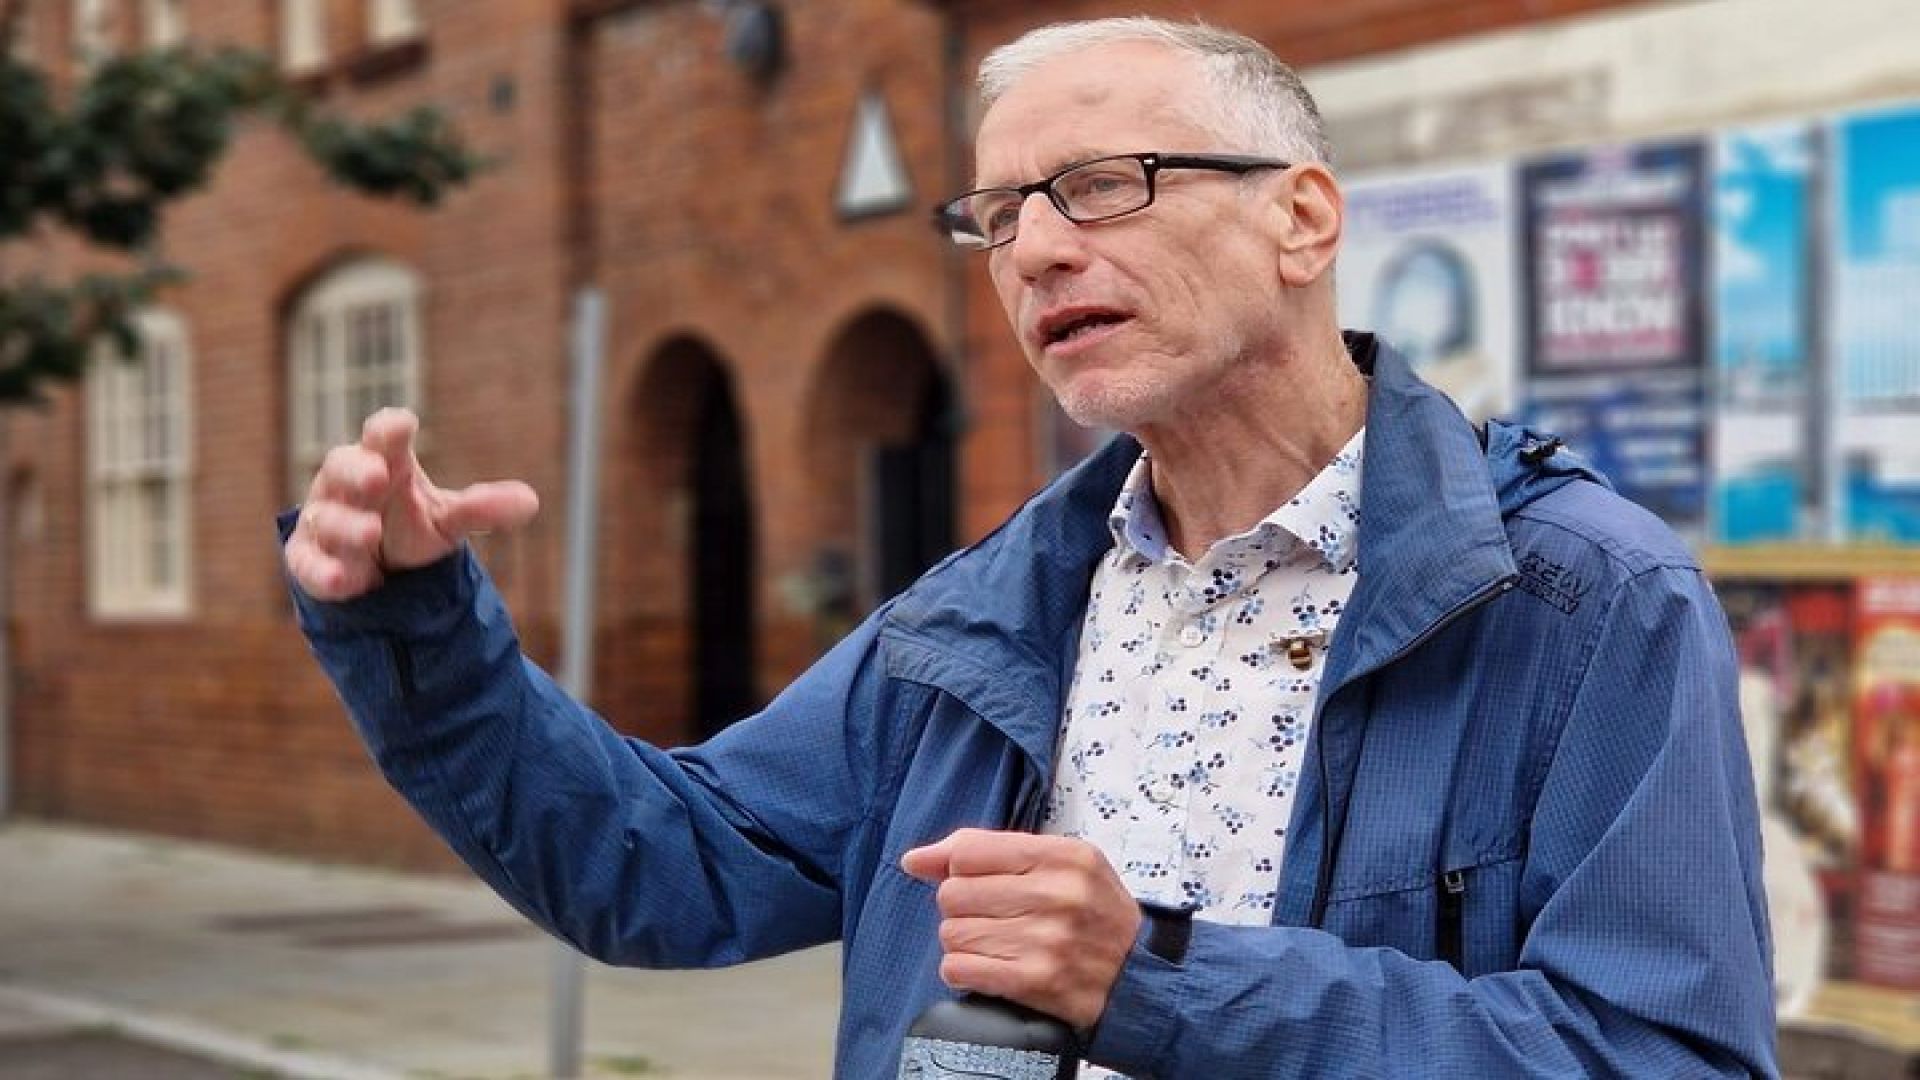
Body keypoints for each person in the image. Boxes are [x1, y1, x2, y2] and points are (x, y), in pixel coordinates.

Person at [282, 16, 1776, 1078]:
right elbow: (665, 865)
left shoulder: (1583, 598)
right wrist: (418, 625)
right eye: (999, 218)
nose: (1042, 250)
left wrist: (1161, 984)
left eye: (1103, 185)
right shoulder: (987, 616)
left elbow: (1659, 1052)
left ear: (1303, 220)